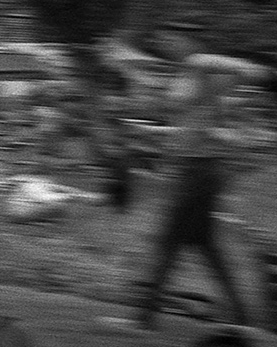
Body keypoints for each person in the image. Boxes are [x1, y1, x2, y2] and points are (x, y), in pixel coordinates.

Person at [103, 23, 267, 331]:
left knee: (167, 242)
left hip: (199, 170)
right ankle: (244, 319)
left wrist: (231, 63)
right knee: (205, 246)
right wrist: (149, 131)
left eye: (169, 37)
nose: (163, 42)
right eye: (161, 37)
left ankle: (143, 318)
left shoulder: (199, 66)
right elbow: (191, 126)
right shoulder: (187, 74)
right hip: (198, 167)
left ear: (186, 38)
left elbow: (240, 69)